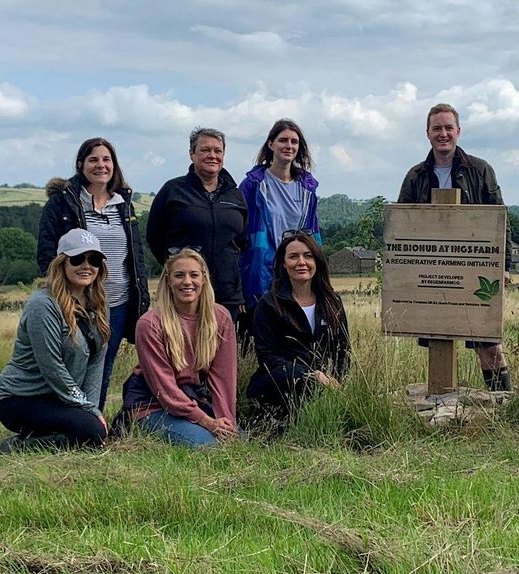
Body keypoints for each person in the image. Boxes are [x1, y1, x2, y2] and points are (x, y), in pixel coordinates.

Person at [397, 103, 512, 392]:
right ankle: (440, 399)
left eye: (449, 127)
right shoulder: (415, 176)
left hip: (475, 269)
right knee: (437, 336)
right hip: (431, 273)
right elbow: (401, 226)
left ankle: (502, 401)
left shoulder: (481, 170)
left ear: (458, 131)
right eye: (437, 128)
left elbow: (499, 220)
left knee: (487, 344)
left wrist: (505, 265)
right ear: (428, 133)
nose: (443, 133)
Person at [38, 138, 149, 408]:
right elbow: (46, 254)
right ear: (81, 165)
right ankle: (63, 422)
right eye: (93, 159)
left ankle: (92, 423)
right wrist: (61, 295)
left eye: (106, 159)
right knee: (70, 364)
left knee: (102, 368)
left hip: (117, 303)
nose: (101, 165)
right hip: (76, 303)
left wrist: (142, 298)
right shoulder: (63, 204)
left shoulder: (124, 205)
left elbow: (135, 257)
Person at [0, 229, 110, 451]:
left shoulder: (99, 303)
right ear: (62, 264)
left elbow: (97, 361)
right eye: (77, 259)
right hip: (21, 397)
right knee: (91, 433)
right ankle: (15, 447)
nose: (86, 266)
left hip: (59, 399)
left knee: (93, 430)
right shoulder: (43, 305)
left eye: (94, 260)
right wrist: (86, 409)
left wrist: (92, 409)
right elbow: (52, 367)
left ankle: (41, 437)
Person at [121, 249, 240, 447]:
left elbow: (224, 379)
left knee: (236, 440)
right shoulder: (149, 324)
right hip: (154, 403)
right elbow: (164, 389)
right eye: (179, 275)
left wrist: (225, 422)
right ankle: (138, 426)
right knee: (208, 445)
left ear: (204, 279)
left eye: (194, 275)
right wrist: (206, 421)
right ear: (168, 281)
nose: (187, 282)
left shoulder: (221, 318)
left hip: (194, 397)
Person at [247, 232, 350, 434]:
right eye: (293, 256)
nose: (301, 262)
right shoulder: (268, 304)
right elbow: (267, 357)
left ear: (317, 261)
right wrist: (311, 375)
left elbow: (343, 351)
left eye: (308, 255)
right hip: (280, 385)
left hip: (326, 387)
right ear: (283, 264)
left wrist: (336, 381)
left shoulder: (332, 302)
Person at [147, 128, 248, 321]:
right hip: (185, 292)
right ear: (192, 154)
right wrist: (176, 268)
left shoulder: (235, 195)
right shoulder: (173, 191)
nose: (212, 156)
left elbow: (242, 242)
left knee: (222, 349)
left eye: (218, 151)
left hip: (227, 294)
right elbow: (154, 237)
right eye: (205, 150)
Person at [239, 119, 323, 313]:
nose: (289, 146)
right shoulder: (253, 185)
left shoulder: (307, 188)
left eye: (294, 142)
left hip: (296, 270)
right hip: (261, 271)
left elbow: (314, 238)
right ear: (271, 144)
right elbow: (240, 236)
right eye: (283, 140)